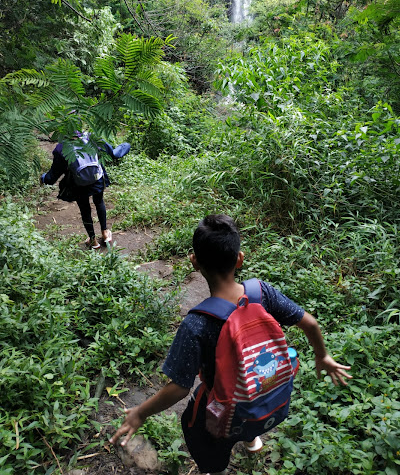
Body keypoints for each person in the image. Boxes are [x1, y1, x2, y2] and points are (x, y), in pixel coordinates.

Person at [109, 214, 352, 475]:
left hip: (226, 409)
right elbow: (311, 324)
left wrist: (141, 413)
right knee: (249, 406)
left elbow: (179, 388)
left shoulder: (196, 324)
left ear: (194, 262)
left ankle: (216, 467)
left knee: (196, 428)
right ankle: (251, 438)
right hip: (264, 396)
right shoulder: (261, 293)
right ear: (239, 259)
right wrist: (322, 356)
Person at [40, 136, 127, 249]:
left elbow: (52, 177)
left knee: (85, 209)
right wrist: (125, 147)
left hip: (78, 184)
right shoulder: (92, 138)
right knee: (99, 202)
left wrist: (43, 178)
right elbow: (112, 153)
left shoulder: (61, 148)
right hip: (97, 178)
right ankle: (105, 233)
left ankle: (93, 240)